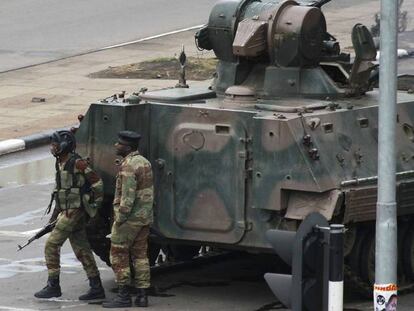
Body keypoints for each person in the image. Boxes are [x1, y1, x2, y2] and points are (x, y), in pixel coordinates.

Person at [34, 130, 105, 300]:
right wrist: (54, 215)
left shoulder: (77, 163)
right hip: (66, 211)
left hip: (75, 211)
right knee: (82, 249)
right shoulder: (60, 163)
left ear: (64, 145)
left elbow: (97, 183)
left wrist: (94, 208)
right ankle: (96, 287)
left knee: (51, 244)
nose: (52, 148)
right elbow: (60, 191)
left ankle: (53, 285)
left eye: (55, 144)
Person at [103, 130, 153, 308]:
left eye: (119, 143)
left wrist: (120, 218)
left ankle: (123, 296)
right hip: (144, 218)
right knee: (140, 256)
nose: (116, 145)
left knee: (119, 254)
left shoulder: (128, 166)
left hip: (129, 219)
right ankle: (142, 296)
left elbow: (127, 196)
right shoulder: (144, 162)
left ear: (128, 147)